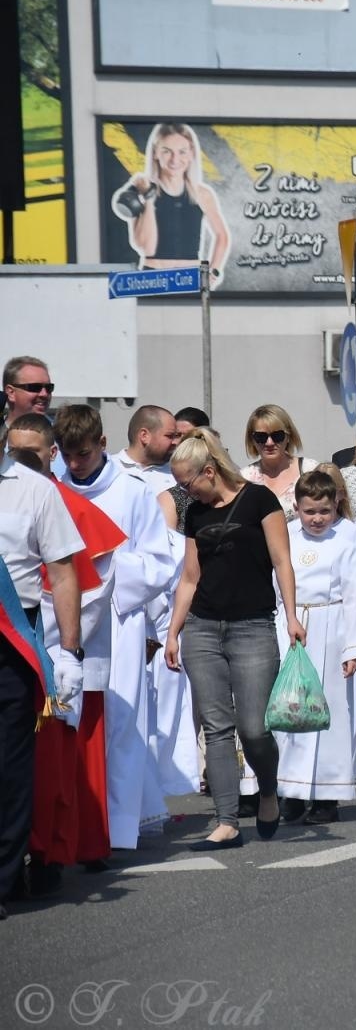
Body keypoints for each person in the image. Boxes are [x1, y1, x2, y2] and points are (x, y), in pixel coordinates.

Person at [165, 429, 304, 850]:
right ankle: (226, 821)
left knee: (255, 728)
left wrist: (293, 615)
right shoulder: (195, 513)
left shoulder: (261, 500)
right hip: (203, 628)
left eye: (188, 484)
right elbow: (190, 577)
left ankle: (266, 787)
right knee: (217, 727)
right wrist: (174, 631)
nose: (186, 493)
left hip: (253, 626)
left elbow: (283, 560)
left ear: (209, 471)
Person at [55, 406, 182, 850]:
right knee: (67, 723)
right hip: (62, 621)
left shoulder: (133, 493)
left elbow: (159, 562)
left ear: (103, 444)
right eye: (68, 456)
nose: (76, 465)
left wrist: (106, 569)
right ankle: (73, 828)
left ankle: (115, 831)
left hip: (118, 618)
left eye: (84, 454)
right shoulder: (52, 491)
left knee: (119, 724)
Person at [0, 435, 84, 916]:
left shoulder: (34, 489)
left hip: (11, 641)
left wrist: (69, 650)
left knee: (9, 766)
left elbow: (63, 568)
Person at [273, 471, 356, 826]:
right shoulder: (285, 542)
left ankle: (328, 794)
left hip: (332, 630)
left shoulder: (344, 545)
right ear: (296, 507)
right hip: (293, 628)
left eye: (324, 512)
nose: (316, 519)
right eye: (309, 511)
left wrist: (354, 648)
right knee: (291, 710)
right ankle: (293, 792)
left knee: (331, 712)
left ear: (335, 508)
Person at [113, 122, 230, 282]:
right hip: (153, 278)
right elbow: (147, 248)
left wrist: (214, 272)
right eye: (167, 151)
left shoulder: (203, 194)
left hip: (190, 279)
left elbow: (222, 236)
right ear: (155, 153)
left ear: (191, 154)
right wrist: (148, 197)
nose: (175, 159)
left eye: (182, 152)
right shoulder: (141, 190)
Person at [241, 404, 318, 521]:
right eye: (261, 437)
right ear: (252, 440)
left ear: (288, 436)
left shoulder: (311, 470)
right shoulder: (243, 479)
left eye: (277, 436)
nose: (269, 443)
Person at [112, 405, 180, 495]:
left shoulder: (178, 474)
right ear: (144, 436)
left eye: (176, 436)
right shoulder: (108, 469)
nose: (175, 442)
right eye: (169, 436)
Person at [3, 355, 54, 424]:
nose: (44, 394)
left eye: (48, 388)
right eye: (35, 387)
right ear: (11, 392)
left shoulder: (60, 433)